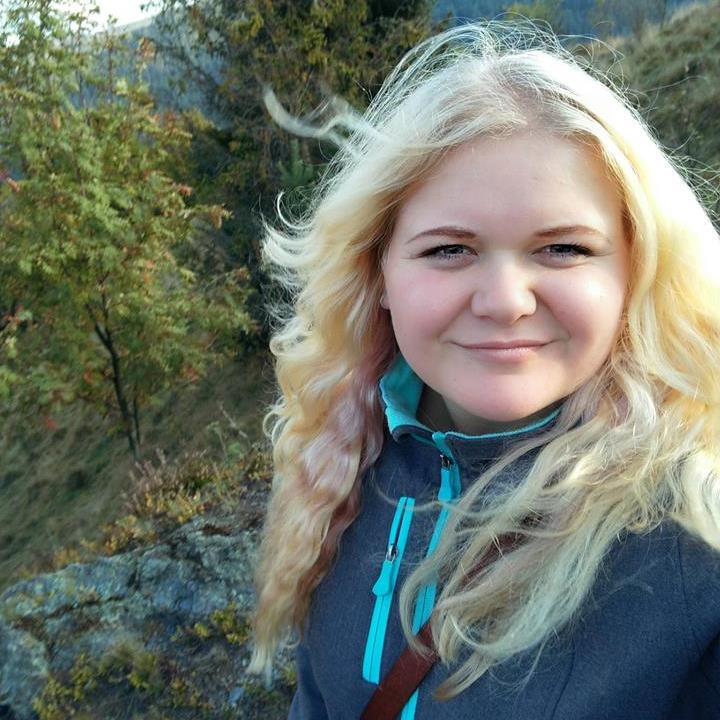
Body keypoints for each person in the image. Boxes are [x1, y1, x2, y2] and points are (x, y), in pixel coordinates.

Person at [248, 20, 720, 720]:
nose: (504, 302)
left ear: (636, 269)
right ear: (378, 272)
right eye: (449, 250)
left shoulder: (695, 530)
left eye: (562, 248)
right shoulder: (339, 465)